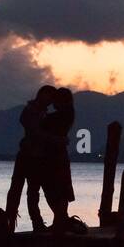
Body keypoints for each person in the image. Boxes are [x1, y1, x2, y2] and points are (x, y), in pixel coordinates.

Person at [18, 85, 56, 231]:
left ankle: (53, 220)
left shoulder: (39, 112)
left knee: (44, 190)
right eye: (49, 97)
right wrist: (56, 139)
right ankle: (38, 222)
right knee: (34, 191)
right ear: (41, 95)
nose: (50, 101)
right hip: (33, 156)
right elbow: (34, 131)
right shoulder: (31, 111)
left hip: (40, 156)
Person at [40, 87, 77, 232]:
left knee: (54, 189)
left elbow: (45, 126)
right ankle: (60, 219)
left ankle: (60, 220)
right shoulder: (68, 114)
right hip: (58, 154)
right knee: (59, 189)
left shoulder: (62, 115)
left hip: (54, 156)